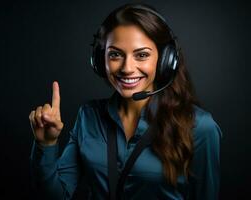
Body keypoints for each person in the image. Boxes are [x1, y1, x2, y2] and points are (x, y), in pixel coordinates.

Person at [29, 3, 222, 200]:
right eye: (115, 54)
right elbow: (57, 195)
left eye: (142, 55)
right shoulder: (88, 116)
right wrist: (46, 144)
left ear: (166, 59)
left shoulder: (200, 128)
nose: (127, 68)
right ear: (99, 60)